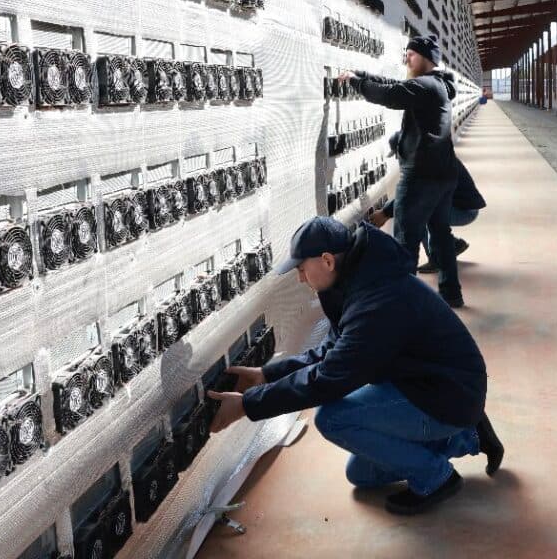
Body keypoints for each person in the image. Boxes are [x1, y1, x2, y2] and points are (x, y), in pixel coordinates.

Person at [207, 216, 504, 515]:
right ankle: (467, 435)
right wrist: (266, 374)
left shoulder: (377, 301)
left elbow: (328, 379)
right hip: (429, 384)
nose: (300, 278)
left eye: (301, 269)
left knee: (333, 419)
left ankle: (437, 478)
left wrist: (248, 406)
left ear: (326, 261)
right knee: (362, 475)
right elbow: (334, 349)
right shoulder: (359, 281)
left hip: (446, 393)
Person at [337, 35, 464, 307]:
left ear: (427, 58)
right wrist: (362, 74)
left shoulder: (426, 85)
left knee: (405, 243)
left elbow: (391, 95)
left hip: (422, 175)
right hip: (443, 173)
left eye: (411, 54)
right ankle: (451, 294)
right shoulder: (436, 85)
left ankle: (404, 311)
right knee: (440, 236)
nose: (406, 58)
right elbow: (396, 85)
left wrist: (356, 83)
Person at [371, 131, 486, 274]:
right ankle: (452, 245)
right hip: (462, 206)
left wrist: (385, 213)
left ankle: (436, 259)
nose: (397, 157)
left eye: (398, 153)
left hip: (464, 211)